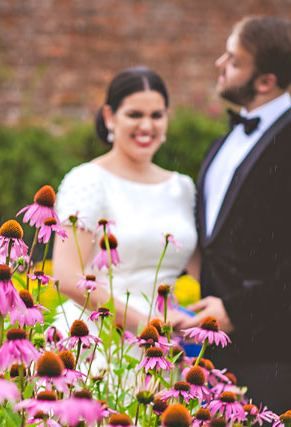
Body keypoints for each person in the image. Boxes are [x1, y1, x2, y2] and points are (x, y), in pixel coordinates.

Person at [183, 16, 291, 427]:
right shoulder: (221, 146)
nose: (220, 64)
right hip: (220, 350)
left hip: (285, 351)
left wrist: (236, 309)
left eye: (233, 60)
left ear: (266, 79)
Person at [52, 67, 197, 337]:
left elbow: (203, 271)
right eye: (134, 115)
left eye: (156, 115)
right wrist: (145, 324)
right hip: (97, 339)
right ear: (109, 117)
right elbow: (67, 277)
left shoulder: (183, 188)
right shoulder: (88, 180)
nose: (146, 126)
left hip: (161, 345)